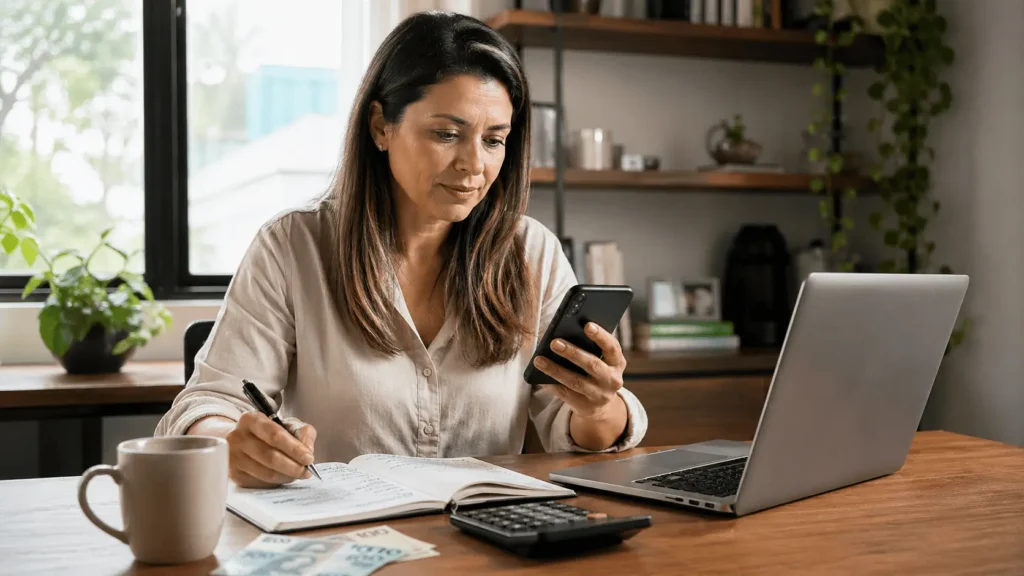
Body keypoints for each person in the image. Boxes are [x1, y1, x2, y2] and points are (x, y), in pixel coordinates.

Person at [155, 11, 648, 489]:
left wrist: (599, 407)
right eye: (446, 134)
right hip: (344, 542)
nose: (473, 165)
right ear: (380, 127)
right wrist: (232, 443)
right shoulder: (293, 246)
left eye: (494, 140)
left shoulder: (530, 251)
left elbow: (578, 431)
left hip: (488, 543)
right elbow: (204, 407)